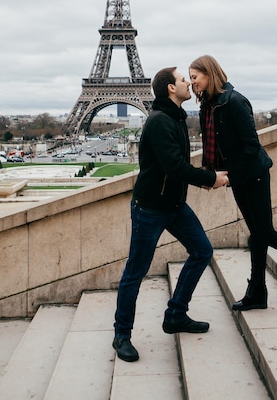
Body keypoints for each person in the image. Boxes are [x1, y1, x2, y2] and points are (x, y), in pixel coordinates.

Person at [189, 54, 277, 312]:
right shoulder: (209, 105)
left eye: (195, 77)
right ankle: (257, 292)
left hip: (253, 175)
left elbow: (250, 145)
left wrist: (227, 175)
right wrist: (210, 174)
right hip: (239, 177)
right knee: (257, 236)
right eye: (189, 78)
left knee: (264, 233)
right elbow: (216, 148)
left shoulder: (234, 102)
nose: (192, 83)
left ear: (209, 74)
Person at [113, 67, 228, 362]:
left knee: (202, 251)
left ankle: (176, 314)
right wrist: (210, 178)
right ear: (170, 90)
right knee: (135, 272)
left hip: (173, 205)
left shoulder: (175, 117)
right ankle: (121, 335)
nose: (188, 82)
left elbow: (177, 167)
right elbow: (175, 168)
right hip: (151, 208)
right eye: (182, 80)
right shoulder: (161, 121)